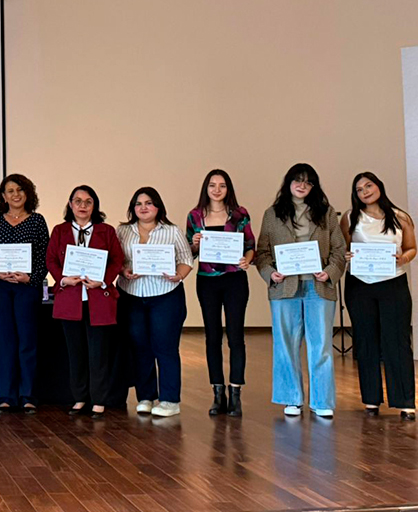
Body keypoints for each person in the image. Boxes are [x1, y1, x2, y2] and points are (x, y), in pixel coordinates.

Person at [254, 163, 346, 418]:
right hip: (284, 287)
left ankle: (322, 401)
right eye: (297, 180)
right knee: (285, 344)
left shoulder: (326, 213)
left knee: (321, 345)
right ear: (288, 183)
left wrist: (330, 272)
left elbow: (339, 250)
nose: (302, 185)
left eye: (308, 181)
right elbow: (262, 253)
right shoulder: (272, 214)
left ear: (313, 186)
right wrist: (270, 273)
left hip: (319, 286)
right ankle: (291, 398)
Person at [341, 172, 416, 421]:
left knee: (397, 340)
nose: (365, 191)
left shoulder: (400, 216)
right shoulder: (349, 217)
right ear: (356, 195)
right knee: (365, 340)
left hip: (393, 282)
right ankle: (371, 399)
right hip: (359, 284)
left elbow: (411, 247)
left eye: (369, 185)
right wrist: (347, 256)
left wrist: (403, 258)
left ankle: (405, 401)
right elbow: (343, 248)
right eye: (359, 189)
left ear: (379, 186)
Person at [47, 185, 123, 418]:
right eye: (77, 201)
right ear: (70, 205)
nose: (82, 206)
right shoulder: (60, 231)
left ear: (94, 206)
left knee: (98, 353)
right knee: (76, 352)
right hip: (70, 299)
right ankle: (79, 398)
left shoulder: (106, 231)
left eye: (88, 202)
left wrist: (102, 282)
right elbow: (51, 260)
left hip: (98, 299)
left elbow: (116, 260)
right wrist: (62, 279)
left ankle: (98, 400)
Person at [116, 187, 193, 418]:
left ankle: (170, 400)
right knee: (140, 347)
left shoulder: (172, 231)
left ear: (158, 206)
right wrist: (124, 270)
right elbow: (116, 259)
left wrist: (178, 275)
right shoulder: (122, 231)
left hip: (165, 295)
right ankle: (146, 397)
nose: (143, 207)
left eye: (149, 203)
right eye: (138, 203)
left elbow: (186, 259)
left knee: (165, 347)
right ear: (133, 208)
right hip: (132, 295)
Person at [184, 170, 256, 417]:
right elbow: (189, 252)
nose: (217, 189)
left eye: (222, 185)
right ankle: (218, 394)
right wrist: (194, 243)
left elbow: (250, 246)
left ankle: (235, 393)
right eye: (212, 185)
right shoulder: (194, 216)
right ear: (206, 188)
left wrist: (246, 261)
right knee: (212, 337)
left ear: (228, 189)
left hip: (235, 280)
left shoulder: (240, 214)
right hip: (206, 282)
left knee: (236, 337)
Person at [0, 174, 49, 414]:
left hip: (27, 288)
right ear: (3, 197)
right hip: (1, 288)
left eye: (20, 190)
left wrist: (30, 277)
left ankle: (27, 395)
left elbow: (45, 255)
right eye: (10, 191)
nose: (15, 194)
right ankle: (5, 395)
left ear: (28, 193)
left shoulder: (37, 221)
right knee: (4, 343)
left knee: (27, 342)